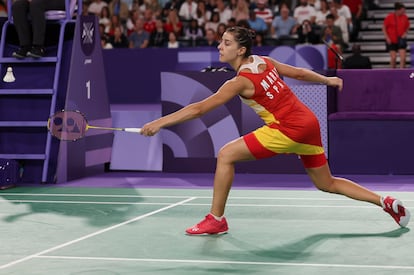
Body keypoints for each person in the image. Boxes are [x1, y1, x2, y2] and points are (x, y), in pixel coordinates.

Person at [140, 26, 411, 235]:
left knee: (225, 155)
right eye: (221, 41)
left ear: (241, 50)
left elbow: (199, 109)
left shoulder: (239, 82)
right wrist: (327, 79)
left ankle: (216, 219)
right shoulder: (265, 61)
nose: (220, 46)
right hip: (309, 122)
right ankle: (384, 201)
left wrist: (159, 123)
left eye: (226, 43)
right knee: (326, 183)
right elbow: (301, 74)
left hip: (288, 128)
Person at [382, 2, 410, 68]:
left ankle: (402, 72)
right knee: (393, 58)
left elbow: (408, 26)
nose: (404, 11)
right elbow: (384, 28)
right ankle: (393, 73)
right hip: (391, 40)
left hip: (401, 40)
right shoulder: (389, 17)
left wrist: (405, 33)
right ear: (398, 10)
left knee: (403, 58)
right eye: (402, 10)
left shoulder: (405, 17)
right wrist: (387, 37)